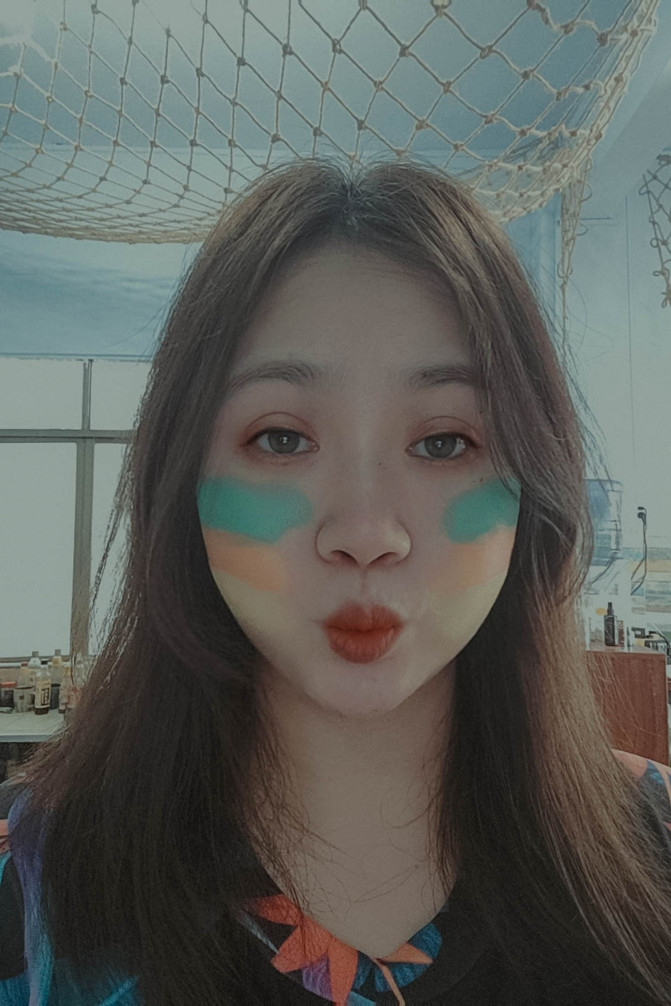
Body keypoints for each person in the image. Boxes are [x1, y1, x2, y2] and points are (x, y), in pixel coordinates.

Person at [1, 156, 670, 1006]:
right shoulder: (32, 880)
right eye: (281, 439)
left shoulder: (652, 848)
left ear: (529, 488)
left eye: (443, 443)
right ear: (185, 479)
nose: (364, 533)